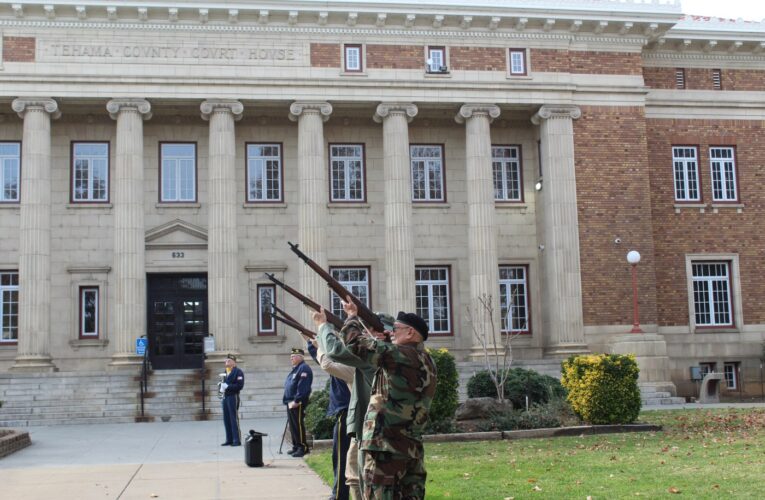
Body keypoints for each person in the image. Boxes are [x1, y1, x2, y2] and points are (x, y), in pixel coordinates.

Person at [340, 299, 437, 500]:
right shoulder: (427, 360)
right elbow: (396, 370)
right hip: (410, 448)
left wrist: (352, 317)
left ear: (410, 332)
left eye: (396, 329)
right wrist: (384, 342)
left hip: (384, 448)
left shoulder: (398, 355)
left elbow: (354, 343)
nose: (392, 332)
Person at [310, 307, 396, 500]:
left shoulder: (374, 356)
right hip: (383, 427)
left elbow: (332, 357)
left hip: (370, 427)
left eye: (370, 330)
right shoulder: (400, 355)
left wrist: (326, 325)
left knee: (358, 477)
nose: (365, 333)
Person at [306, 335, 352, 500]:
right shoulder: (342, 361)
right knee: (343, 457)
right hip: (345, 411)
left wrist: (319, 346)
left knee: (341, 457)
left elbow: (326, 362)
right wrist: (310, 343)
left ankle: (339, 495)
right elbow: (322, 359)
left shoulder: (345, 362)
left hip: (346, 412)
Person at [283, 347, 313, 458]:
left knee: (298, 425)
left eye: (294, 356)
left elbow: (303, 387)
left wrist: (297, 400)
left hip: (297, 402)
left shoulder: (304, 368)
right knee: (293, 425)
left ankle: (303, 447)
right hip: (290, 401)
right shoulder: (296, 368)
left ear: (301, 357)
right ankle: (296, 446)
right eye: (291, 356)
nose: (292, 358)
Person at [220, 354, 245, 446]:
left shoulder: (238, 372)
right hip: (225, 397)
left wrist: (228, 386)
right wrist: (221, 388)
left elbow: (239, 386)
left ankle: (236, 440)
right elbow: (222, 384)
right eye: (226, 361)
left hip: (233, 396)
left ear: (234, 362)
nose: (227, 362)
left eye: (229, 361)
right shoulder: (225, 372)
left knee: (233, 418)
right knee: (226, 418)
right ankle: (229, 439)